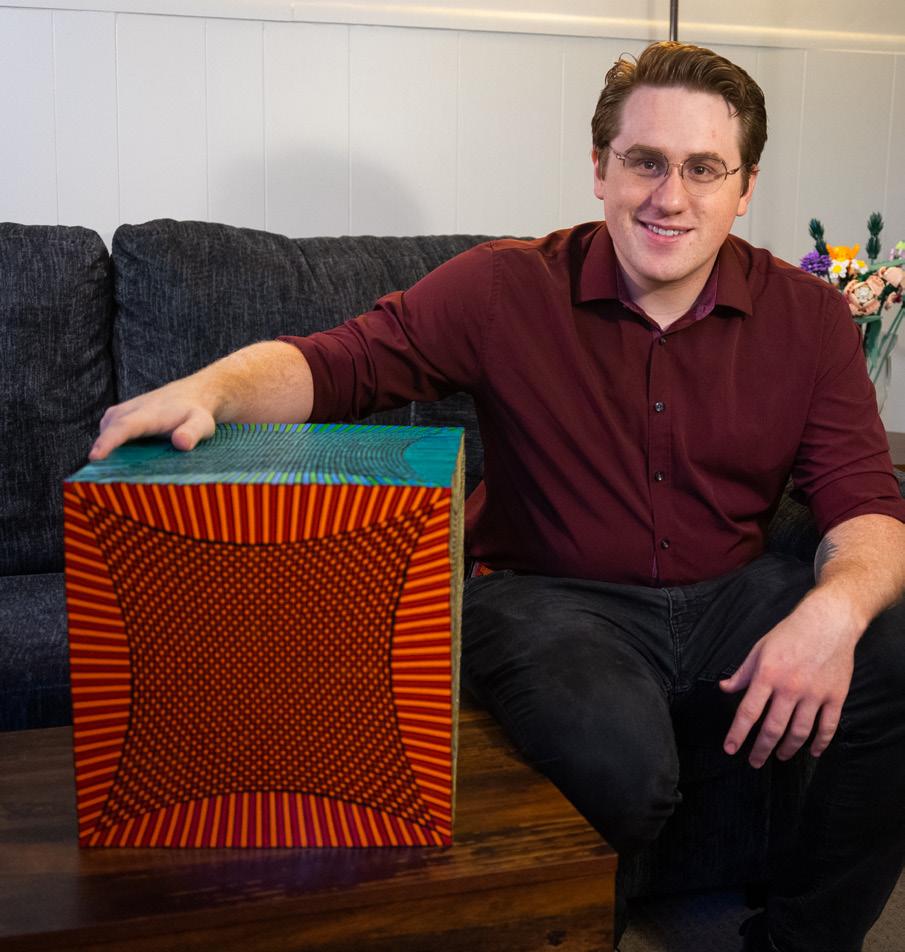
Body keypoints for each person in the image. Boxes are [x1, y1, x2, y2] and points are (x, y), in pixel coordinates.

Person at [90, 41, 905, 952]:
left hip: (731, 594)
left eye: (702, 168)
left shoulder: (808, 317)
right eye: (644, 161)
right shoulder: (503, 286)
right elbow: (339, 363)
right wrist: (210, 389)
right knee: (619, 761)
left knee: (893, 639)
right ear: (598, 168)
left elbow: (866, 502)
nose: (669, 197)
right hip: (549, 596)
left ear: (745, 186)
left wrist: (833, 614)